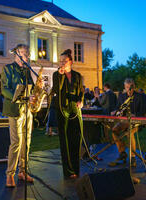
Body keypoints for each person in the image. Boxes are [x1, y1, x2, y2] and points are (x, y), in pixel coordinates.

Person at [2, 44, 42, 187]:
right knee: (16, 143)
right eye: (24, 53)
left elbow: (31, 87)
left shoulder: (26, 70)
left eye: (27, 54)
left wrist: (36, 91)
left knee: (27, 141)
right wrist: (22, 97)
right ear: (17, 54)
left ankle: (22, 171)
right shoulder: (8, 68)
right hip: (14, 110)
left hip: (27, 111)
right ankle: (10, 174)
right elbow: (4, 90)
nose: (27, 56)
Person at [51, 49, 84, 179]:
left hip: (75, 109)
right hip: (62, 108)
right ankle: (69, 171)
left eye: (64, 61)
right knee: (65, 141)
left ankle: (76, 169)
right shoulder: (56, 74)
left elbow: (81, 91)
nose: (62, 63)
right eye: (61, 61)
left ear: (70, 61)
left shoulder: (77, 75)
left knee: (76, 139)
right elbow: (56, 90)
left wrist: (81, 100)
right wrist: (60, 75)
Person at [109, 78, 146, 167]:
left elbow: (143, 111)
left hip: (136, 122)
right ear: (124, 87)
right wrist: (115, 111)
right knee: (114, 130)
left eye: (131, 87)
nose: (129, 89)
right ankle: (122, 153)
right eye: (127, 87)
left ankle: (133, 157)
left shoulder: (140, 96)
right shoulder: (122, 96)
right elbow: (118, 107)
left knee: (129, 133)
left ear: (134, 87)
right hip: (124, 121)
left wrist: (135, 115)